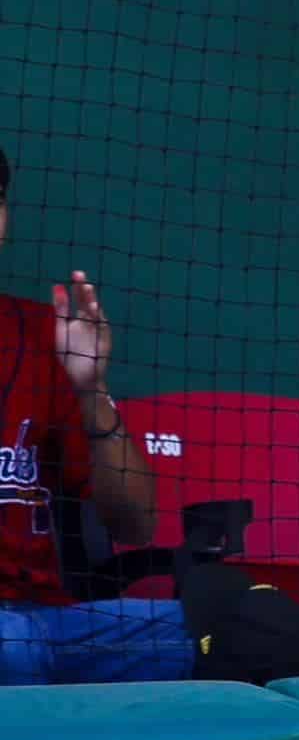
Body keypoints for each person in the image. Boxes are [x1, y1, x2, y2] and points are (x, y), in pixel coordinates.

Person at [0, 147, 184, 686]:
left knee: (230, 630)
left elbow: (135, 522)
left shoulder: (39, 334)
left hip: (48, 624)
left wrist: (90, 389)